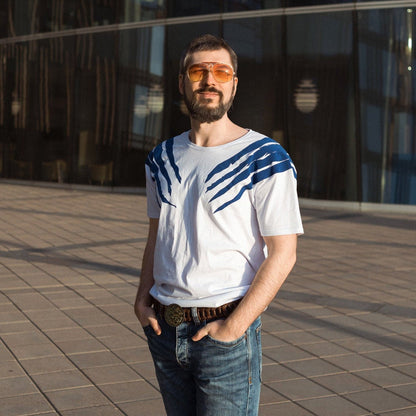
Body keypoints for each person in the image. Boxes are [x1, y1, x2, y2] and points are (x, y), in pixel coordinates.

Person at [134, 34, 304, 416]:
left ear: (233, 84)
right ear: (182, 82)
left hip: (225, 334)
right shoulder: (161, 157)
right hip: (164, 328)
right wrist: (142, 298)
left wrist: (234, 328)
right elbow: (157, 235)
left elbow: (284, 253)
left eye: (221, 71)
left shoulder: (265, 157)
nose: (209, 80)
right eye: (198, 70)